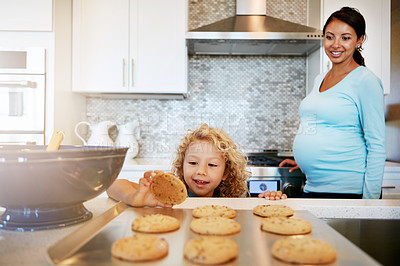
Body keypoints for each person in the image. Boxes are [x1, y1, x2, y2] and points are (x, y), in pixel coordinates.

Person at [279, 7, 385, 199]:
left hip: (346, 192)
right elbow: (323, 126)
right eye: (330, 37)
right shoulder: (320, 78)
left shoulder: (365, 80)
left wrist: (369, 203)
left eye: (345, 38)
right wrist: (307, 162)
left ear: (359, 40)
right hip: (313, 186)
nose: (336, 45)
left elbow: (376, 145)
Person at [107, 123, 287, 207]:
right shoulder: (165, 195)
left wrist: (270, 200)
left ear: (226, 172)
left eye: (213, 165)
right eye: (193, 162)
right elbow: (112, 186)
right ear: (182, 164)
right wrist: (136, 197)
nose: (201, 171)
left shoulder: (232, 202)